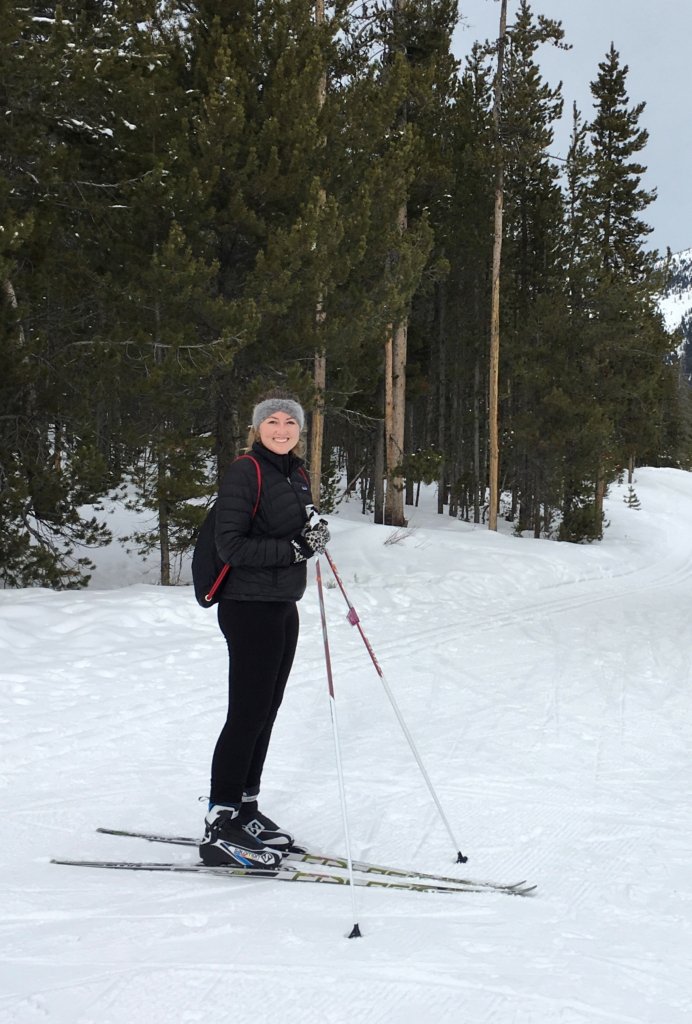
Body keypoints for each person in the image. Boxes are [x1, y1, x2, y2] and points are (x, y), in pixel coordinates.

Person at [200, 393, 330, 869]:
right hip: (247, 606)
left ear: (300, 430)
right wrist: (296, 548)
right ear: (257, 429)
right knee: (247, 712)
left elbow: (293, 534)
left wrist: (314, 533)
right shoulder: (245, 471)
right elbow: (231, 545)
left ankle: (247, 806)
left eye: (289, 422)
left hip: (281, 605)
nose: (281, 429)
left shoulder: (295, 474)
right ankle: (221, 818)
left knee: (267, 709)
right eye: (271, 422)